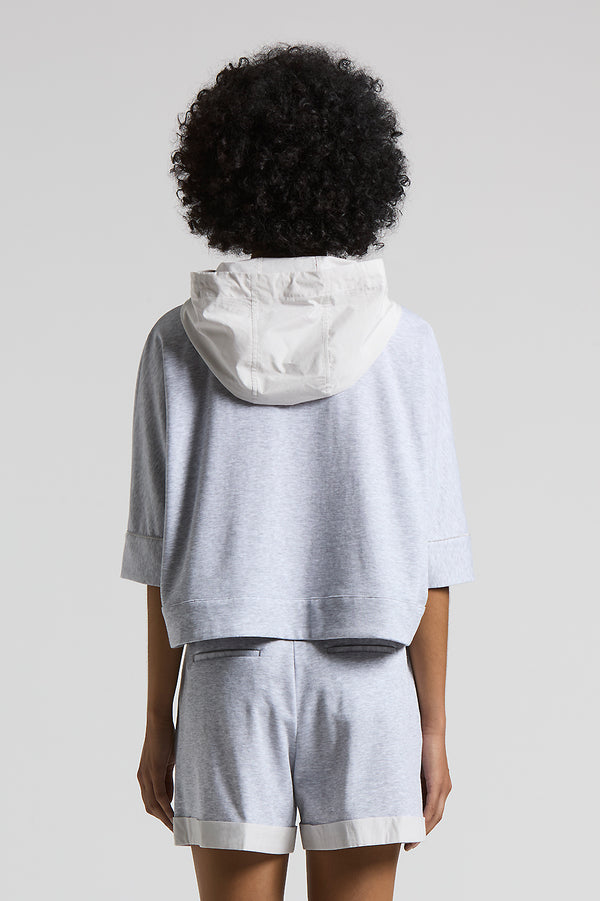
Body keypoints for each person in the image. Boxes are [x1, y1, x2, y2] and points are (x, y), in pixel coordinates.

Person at [120, 41, 475, 901]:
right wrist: (432, 727)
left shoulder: (176, 342)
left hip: (226, 679)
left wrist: (158, 721)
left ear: (221, 175)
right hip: (369, 683)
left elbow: (159, 557)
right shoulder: (407, 343)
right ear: (361, 175)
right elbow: (434, 561)